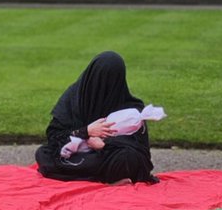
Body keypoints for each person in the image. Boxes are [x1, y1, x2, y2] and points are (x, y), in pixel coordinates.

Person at [35, 51, 156, 184]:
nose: (103, 86)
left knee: (129, 158)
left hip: (107, 155)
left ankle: (100, 176)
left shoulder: (130, 108)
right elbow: (54, 136)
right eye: (99, 79)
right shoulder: (75, 98)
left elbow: (140, 149)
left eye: (110, 81)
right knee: (44, 154)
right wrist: (86, 131)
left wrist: (103, 145)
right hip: (78, 154)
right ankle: (109, 177)